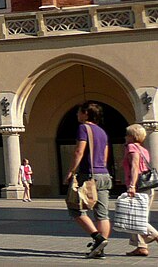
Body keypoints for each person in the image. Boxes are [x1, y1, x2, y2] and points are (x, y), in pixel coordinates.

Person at [63, 101, 112, 259]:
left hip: (88, 175)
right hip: (104, 174)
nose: (77, 115)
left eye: (79, 112)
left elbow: (79, 151)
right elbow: (105, 156)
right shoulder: (102, 132)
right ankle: (100, 249)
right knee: (102, 214)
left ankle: (97, 238)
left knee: (75, 208)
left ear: (86, 113)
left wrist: (71, 171)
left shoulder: (83, 128)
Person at [123, 123, 158, 257]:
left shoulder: (131, 147)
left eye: (127, 134)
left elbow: (135, 166)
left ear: (132, 136)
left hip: (138, 187)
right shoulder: (144, 149)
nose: (125, 137)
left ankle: (154, 235)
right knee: (137, 217)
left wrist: (132, 185)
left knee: (135, 218)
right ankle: (141, 246)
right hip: (147, 188)